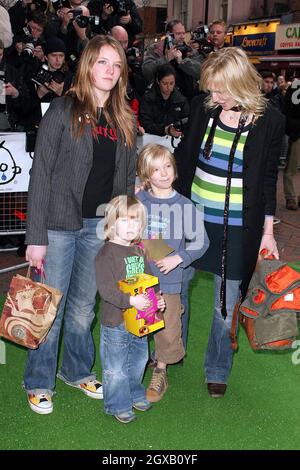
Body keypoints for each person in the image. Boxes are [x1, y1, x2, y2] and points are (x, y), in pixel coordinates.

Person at [24, 34, 137, 414]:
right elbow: (40, 174)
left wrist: (126, 231)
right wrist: (35, 236)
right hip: (57, 225)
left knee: (83, 308)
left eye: (116, 64)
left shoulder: (124, 118)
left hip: (98, 227)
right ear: (88, 65)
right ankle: (39, 380)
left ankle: (74, 370)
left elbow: (123, 183)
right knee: (49, 308)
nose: (110, 70)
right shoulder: (62, 108)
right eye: (103, 62)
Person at [174, 47, 285, 398]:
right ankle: (169, 350)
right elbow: (183, 157)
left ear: (242, 85)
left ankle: (217, 367)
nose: (214, 97)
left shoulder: (270, 121)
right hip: (190, 217)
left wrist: (267, 233)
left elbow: (267, 180)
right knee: (174, 287)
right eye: (211, 89)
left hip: (238, 226)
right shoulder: (202, 109)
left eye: (221, 90)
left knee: (226, 302)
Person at [137, 144, 209, 403]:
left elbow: (202, 242)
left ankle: (161, 369)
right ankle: (138, 363)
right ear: (146, 175)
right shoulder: (139, 200)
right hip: (141, 277)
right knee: (140, 323)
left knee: (168, 327)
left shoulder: (185, 205)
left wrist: (180, 257)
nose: (164, 173)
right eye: (156, 169)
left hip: (169, 280)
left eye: (167, 166)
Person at [95, 195, 165, 424]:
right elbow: (106, 291)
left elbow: (149, 280)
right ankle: (117, 402)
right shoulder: (106, 254)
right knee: (116, 366)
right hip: (116, 320)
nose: (131, 227)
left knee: (138, 359)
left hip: (140, 320)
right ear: (112, 223)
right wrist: (130, 300)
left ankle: (134, 393)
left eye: (136, 222)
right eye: (125, 221)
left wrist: (158, 301)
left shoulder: (138, 251)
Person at [142, 19, 202, 100]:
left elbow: (201, 72)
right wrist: (165, 59)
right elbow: (147, 71)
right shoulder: (155, 49)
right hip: (161, 99)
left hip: (188, 100)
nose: (182, 37)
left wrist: (182, 62)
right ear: (168, 34)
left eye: (183, 33)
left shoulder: (189, 50)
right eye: (178, 34)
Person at [139, 63, 190, 139]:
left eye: (171, 83)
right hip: (151, 139)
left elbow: (187, 121)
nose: (168, 87)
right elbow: (145, 124)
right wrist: (165, 130)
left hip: (174, 141)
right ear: (158, 81)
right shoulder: (148, 99)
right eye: (165, 83)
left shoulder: (181, 100)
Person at [283, 77, 300, 210]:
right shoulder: (296, 85)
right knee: (291, 168)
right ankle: (290, 197)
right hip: (298, 133)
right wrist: (293, 129)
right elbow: (287, 110)